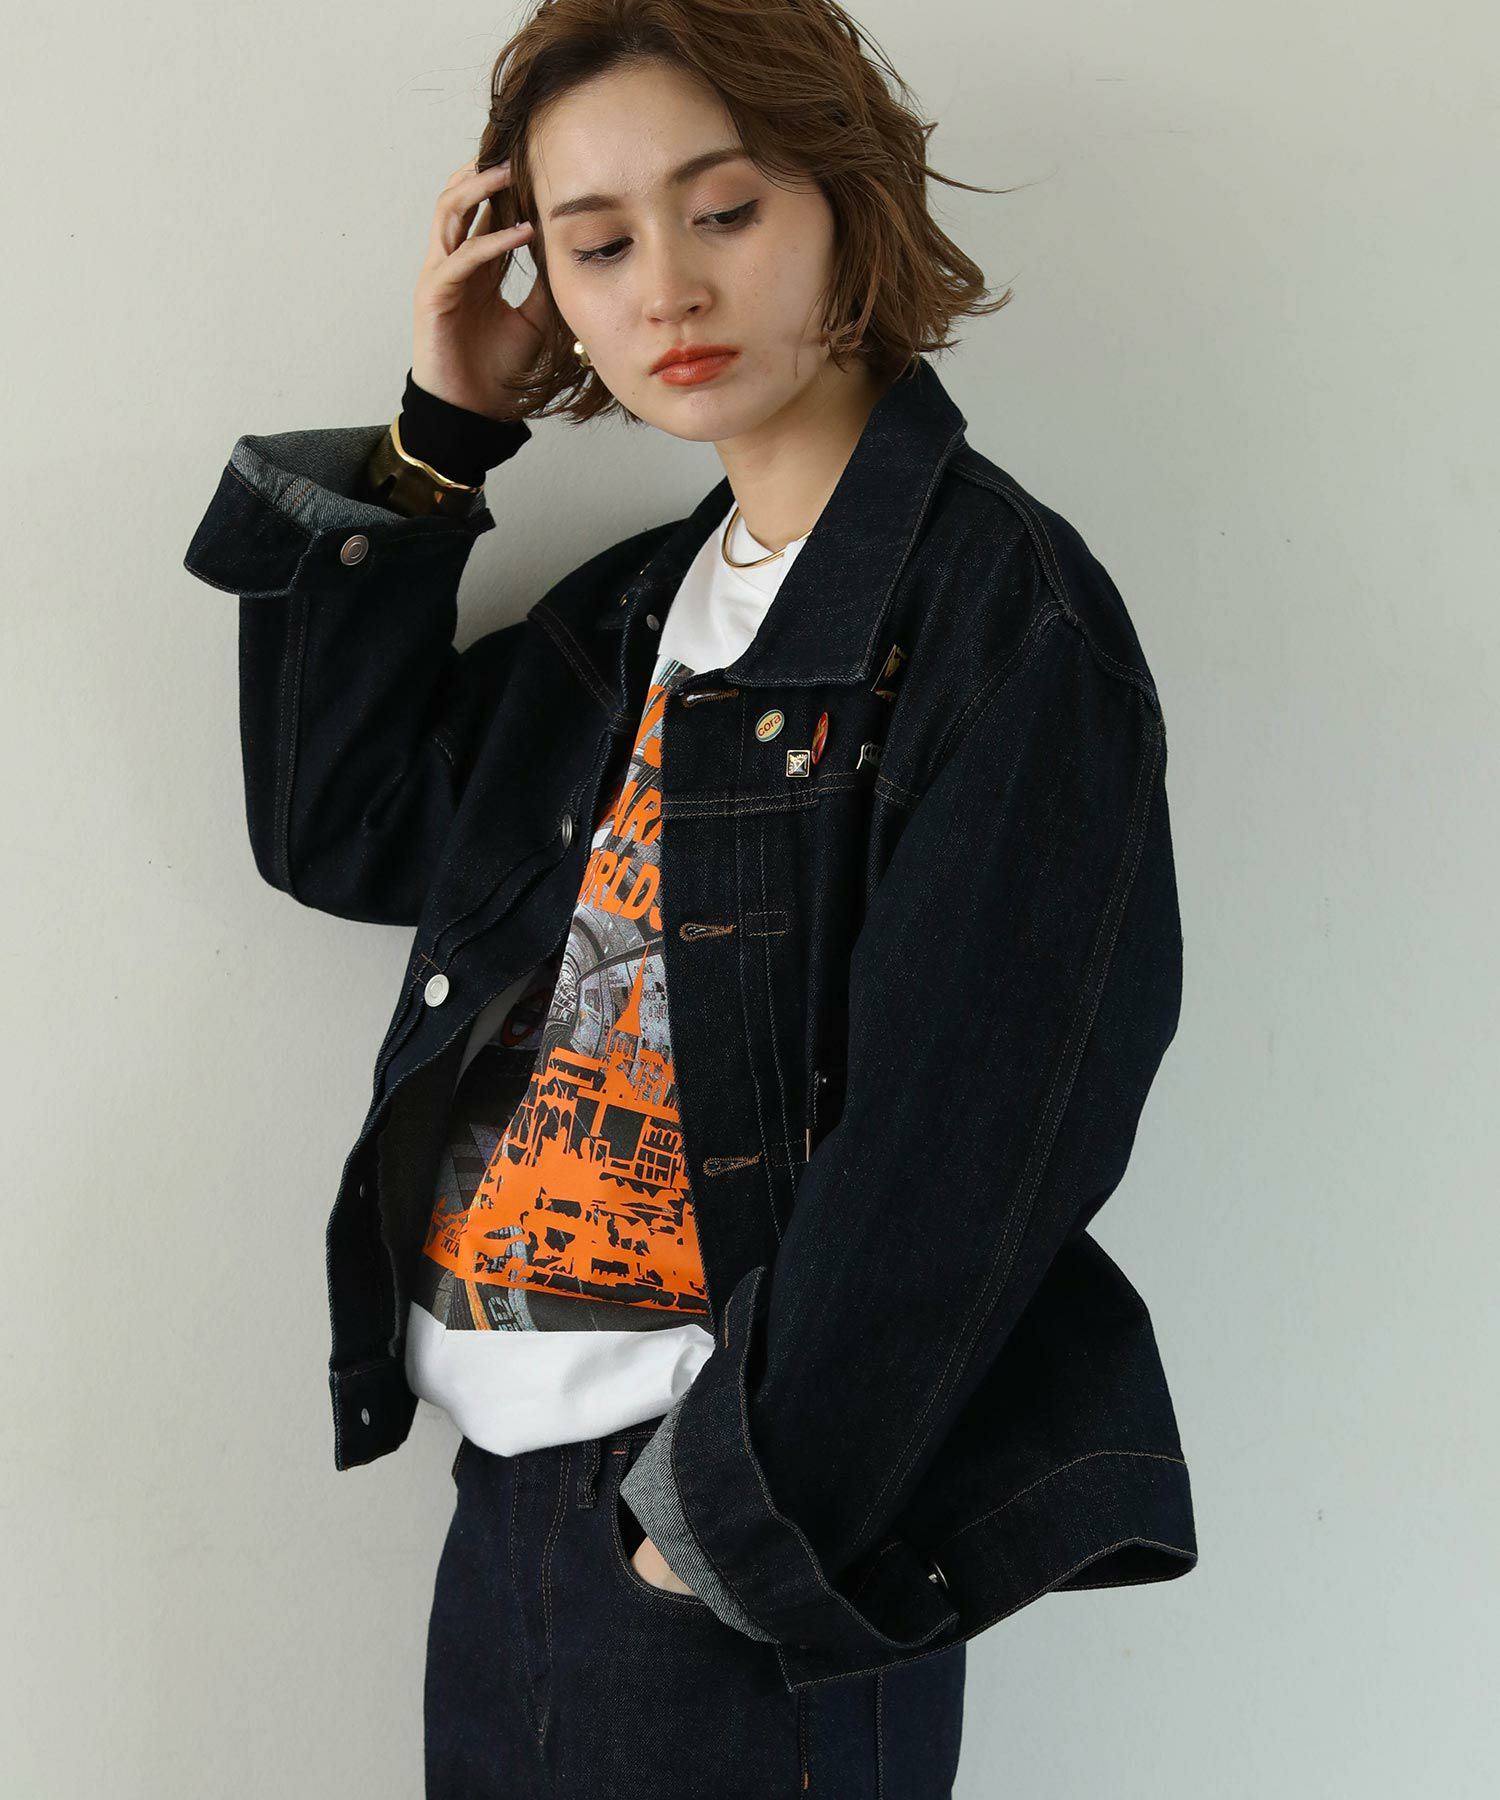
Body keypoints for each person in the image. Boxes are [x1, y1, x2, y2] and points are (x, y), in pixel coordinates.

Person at [182, 3, 1196, 1795]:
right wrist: (435, 442)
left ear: (846, 201)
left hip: (726, 1554)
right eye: (597, 244)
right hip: (516, 1517)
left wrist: (712, 1530)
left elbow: (973, 1149)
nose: (666, 287)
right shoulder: (632, 613)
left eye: (724, 210)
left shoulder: (999, 619)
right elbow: (340, 828)